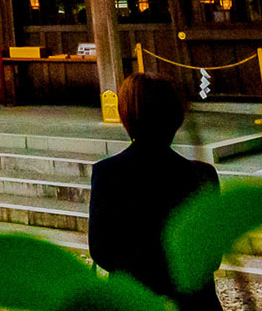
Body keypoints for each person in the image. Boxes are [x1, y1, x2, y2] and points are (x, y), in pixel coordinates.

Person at [88, 73, 225, 311]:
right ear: (175, 117)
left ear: (126, 116)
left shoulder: (108, 174)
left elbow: (101, 251)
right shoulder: (202, 176)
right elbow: (212, 256)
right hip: (193, 300)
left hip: (133, 298)